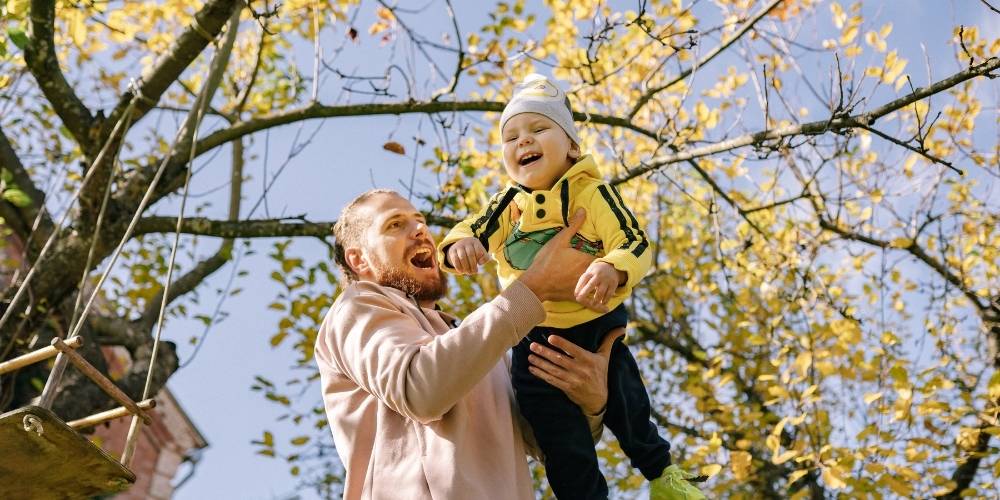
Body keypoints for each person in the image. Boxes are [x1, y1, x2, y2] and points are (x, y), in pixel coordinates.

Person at [438, 74, 704, 499]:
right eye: (511, 137)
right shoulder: (508, 203)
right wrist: (459, 247)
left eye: (539, 128)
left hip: (597, 326)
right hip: (535, 337)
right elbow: (474, 228)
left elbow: (633, 242)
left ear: (573, 147)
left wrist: (613, 269)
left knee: (628, 401)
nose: (523, 141)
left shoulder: (593, 194)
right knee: (560, 440)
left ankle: (664, 475)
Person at [315, 188, 624, 500]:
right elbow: (420, 389)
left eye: (420, 220)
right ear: (359, 259)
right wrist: (534, 287)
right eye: (395, 224)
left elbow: (545, 442)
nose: (421, 230)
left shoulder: (476, 345)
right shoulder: (356, 307)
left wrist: (591, 403)